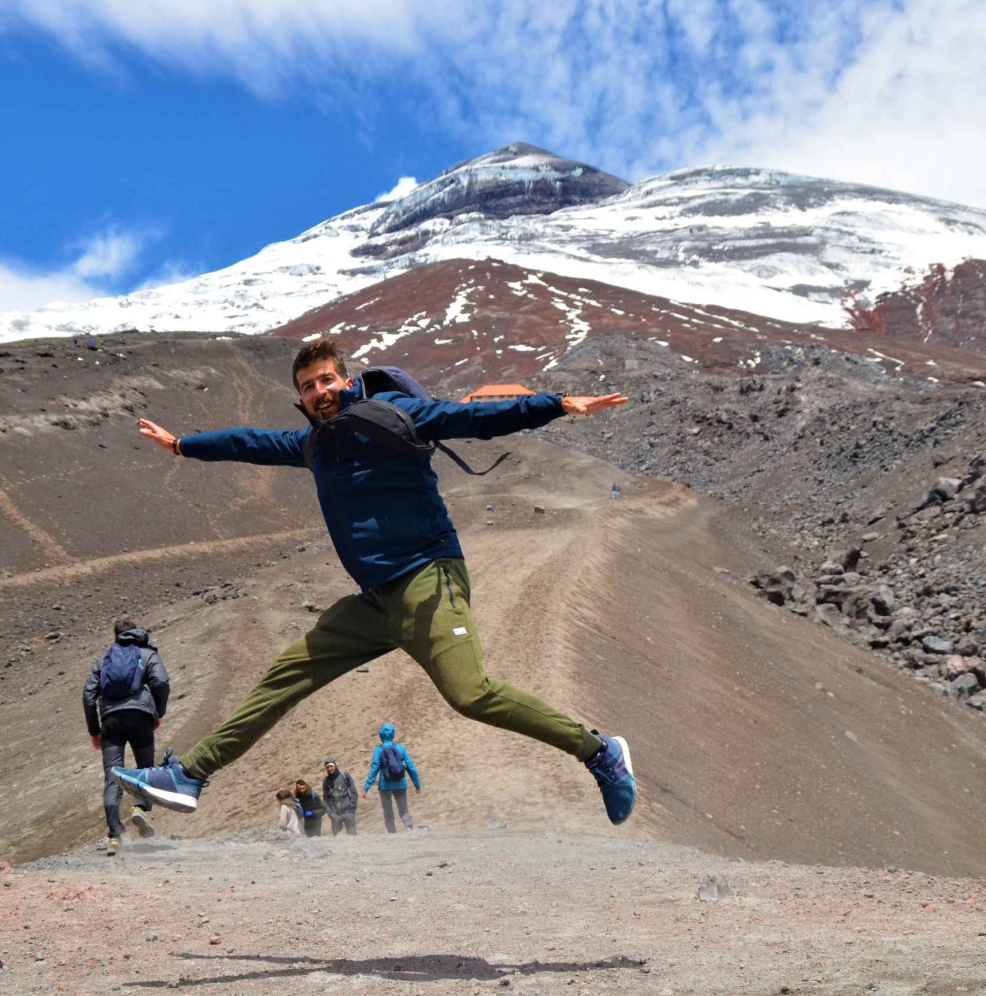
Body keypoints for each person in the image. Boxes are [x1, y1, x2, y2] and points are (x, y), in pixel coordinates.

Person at [114, 339, 637, 827]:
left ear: (347, 380)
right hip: (375, 601)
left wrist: (557, 403)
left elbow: (471, 417)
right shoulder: (311, 445)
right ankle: (190, 774)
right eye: (307, 386)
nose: (318, 392)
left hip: (429, 578)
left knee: (470, 694)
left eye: (325, 380)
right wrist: (182, 445)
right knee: (286, 674)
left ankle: (598, 752)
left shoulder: (397, 416)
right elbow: (249, 441)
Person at [84, 618, 170, 852]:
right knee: (145, 768)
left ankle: (114, 835)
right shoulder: (147, 653)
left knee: (112, 776)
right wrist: (157, 713)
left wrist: (94, 730)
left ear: (116, 636)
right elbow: (161, 681)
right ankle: (139, 808)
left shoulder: (105, 659)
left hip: (111, 721)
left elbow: (88, 694)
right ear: (137, 632)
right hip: (140, 716)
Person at [363, 723, 421, 833]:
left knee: (388, 810)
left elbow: (374, 769)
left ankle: (392, 832)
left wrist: (366, 788)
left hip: (385, 786)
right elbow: (411, 767)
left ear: (381, 735)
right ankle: (408, 827)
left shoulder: (378, 749)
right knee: (403, 809)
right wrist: (417, 785)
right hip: (400, 783)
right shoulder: (400, 748)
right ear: (393, 734)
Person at [322, 758, 359, 836]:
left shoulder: (345, 776)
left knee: (353, 838)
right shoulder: (326, 781)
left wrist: (352, 808)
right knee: (337, 840)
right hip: (335, 816)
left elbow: (354, 792)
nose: (329, 769)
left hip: (348, 812)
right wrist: (330, 814)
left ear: (335, 766)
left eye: (331, 766)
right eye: (327, 767)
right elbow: (325, 799)